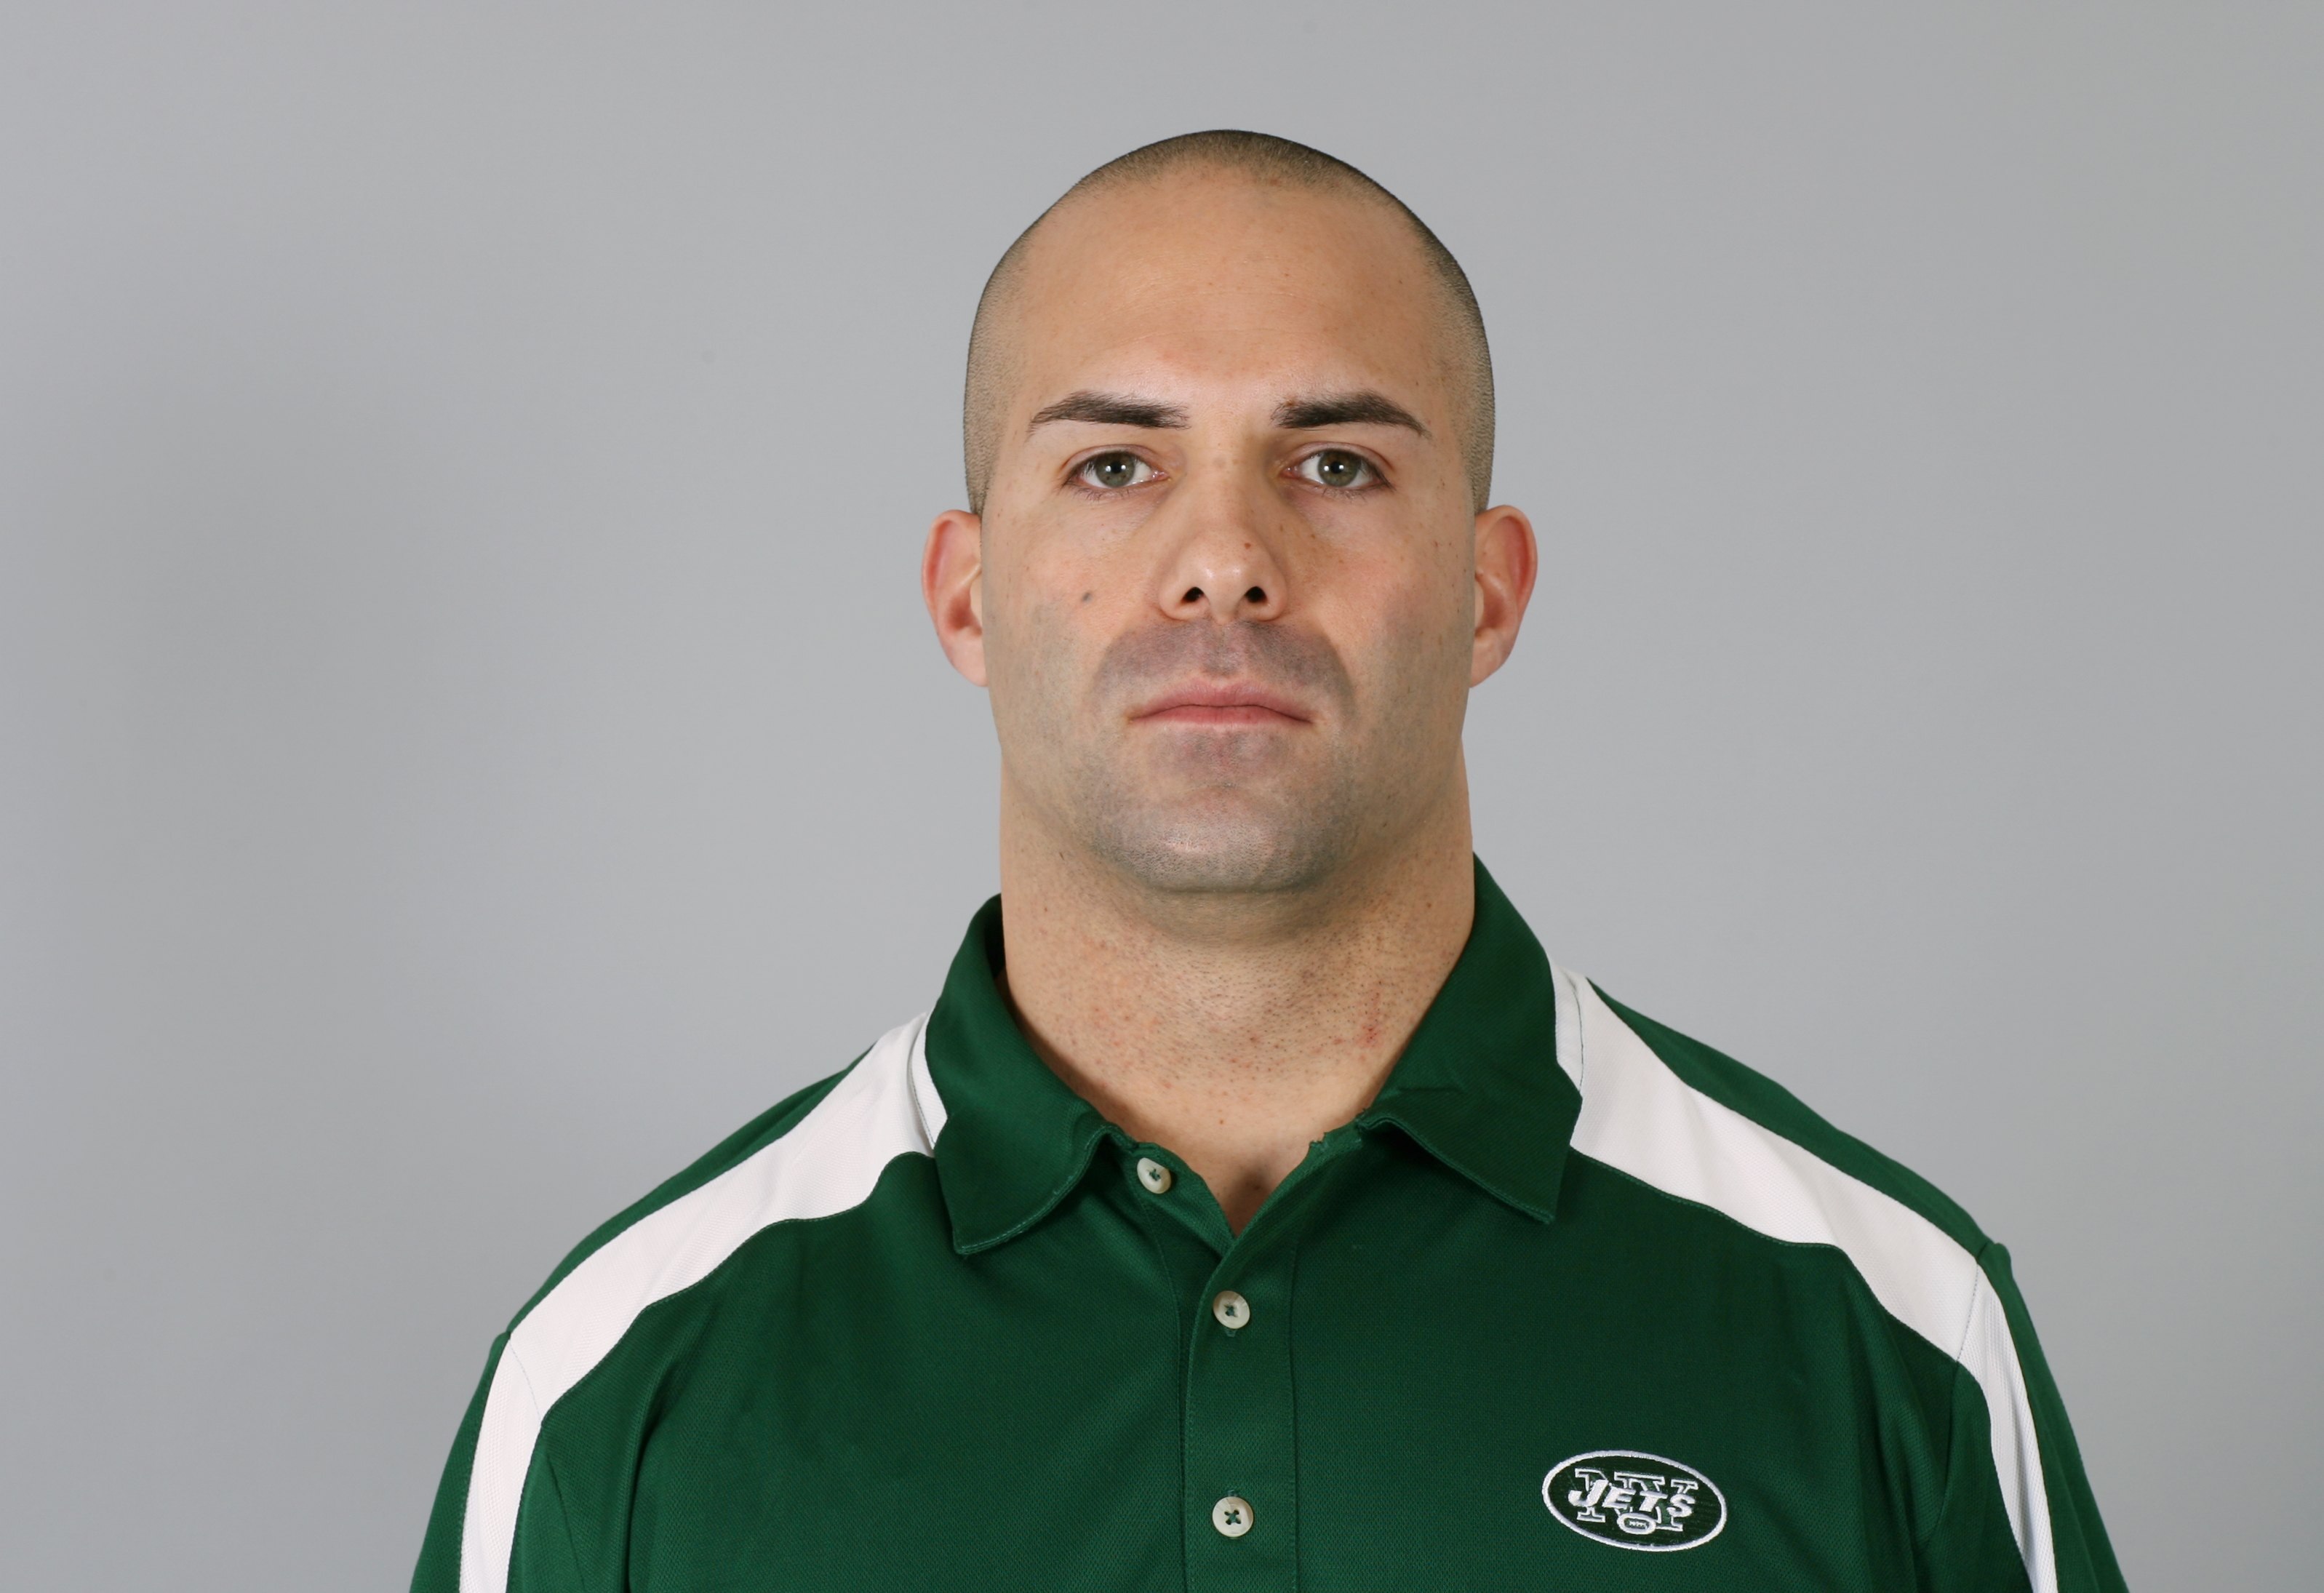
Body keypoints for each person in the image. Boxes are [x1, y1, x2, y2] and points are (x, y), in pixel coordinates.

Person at [413, 131, 2124, 1592]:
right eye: (1112, 465)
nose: (1222, 558)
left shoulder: (1884, 1321)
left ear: (1485, 593)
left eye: (1333, 465)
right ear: (965, 595)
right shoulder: (618, 1376)